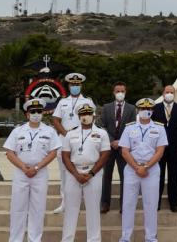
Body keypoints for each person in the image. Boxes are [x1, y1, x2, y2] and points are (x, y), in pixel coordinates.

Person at [4, 98, 61, 242]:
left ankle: (34, 239)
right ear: (27, 114)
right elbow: (9, 153)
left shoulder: (49, 131)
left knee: (38, 209)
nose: (36, 114)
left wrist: (36, 167)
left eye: (39, 111)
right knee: (17, 209)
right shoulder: (18, 131)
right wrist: (24, 167)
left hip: (40, 173)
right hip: (21, 173)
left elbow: (53, 152)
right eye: (33, 111)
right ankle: (15, 239)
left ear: (43, 113)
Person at [119, 98, 168, 242]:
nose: (146, 111)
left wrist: (146, 167)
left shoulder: (159, 128)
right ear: (138, 110)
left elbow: (160, 151)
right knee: (128, 203)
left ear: (152, 111)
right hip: (131, 169)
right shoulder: (129, 127)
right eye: (142, 109)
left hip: (151, 170)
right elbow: (124, 151)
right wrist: (136, 167)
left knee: (151, 204)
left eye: (149, 109)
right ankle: (126, 237)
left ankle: (151, 237)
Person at [60, 102, 110, 242]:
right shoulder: (70, 133)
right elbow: (65, 156)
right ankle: (67, 239)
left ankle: (94, 240)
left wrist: (91, 174)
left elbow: (105, 154)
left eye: (88, 113)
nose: (85, 116)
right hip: (73, 173)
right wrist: (76, 174)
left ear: (93, 115)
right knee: (70, 209)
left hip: (93, 173)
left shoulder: (101, 133)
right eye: (83, 114)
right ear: (78, 116)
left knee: (93, 209)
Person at [51, 72, 95, 214]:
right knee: (64, 173)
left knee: (82, 170)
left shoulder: (88, 101)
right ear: (69, 85)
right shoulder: (62, 102)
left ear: (81, 85)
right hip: (64, 140)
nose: (75, 87)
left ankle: (82, 202)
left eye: (77, 84)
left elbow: (92, 119)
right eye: (72, 84)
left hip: (82, 140)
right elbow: (56, 120)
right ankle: (64, 202)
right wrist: (66, 134)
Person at [98, 81, 136, 213]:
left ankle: (123, 205)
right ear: (113, 93)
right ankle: (105, 203)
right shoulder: (106, 107)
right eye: (117, 91)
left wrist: (120, 141)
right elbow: (101, 126)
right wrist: (111, 141)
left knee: (124, 176)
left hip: (123, 148)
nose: (120, 93)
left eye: (122, 91)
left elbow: (132, 127)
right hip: (108, 148)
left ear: (125, 92)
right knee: (106, 176)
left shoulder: (131, 109)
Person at [151, 85, 177, 212]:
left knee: (175, 175)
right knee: (158, 175)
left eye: (171, 92)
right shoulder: (154, 108)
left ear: (175, 94)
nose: (169, 94)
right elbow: (151, 128)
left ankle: (174, 202)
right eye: (167, 92)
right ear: (163, 93)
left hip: (176, 148)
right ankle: (156, 202)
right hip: (159, 148)